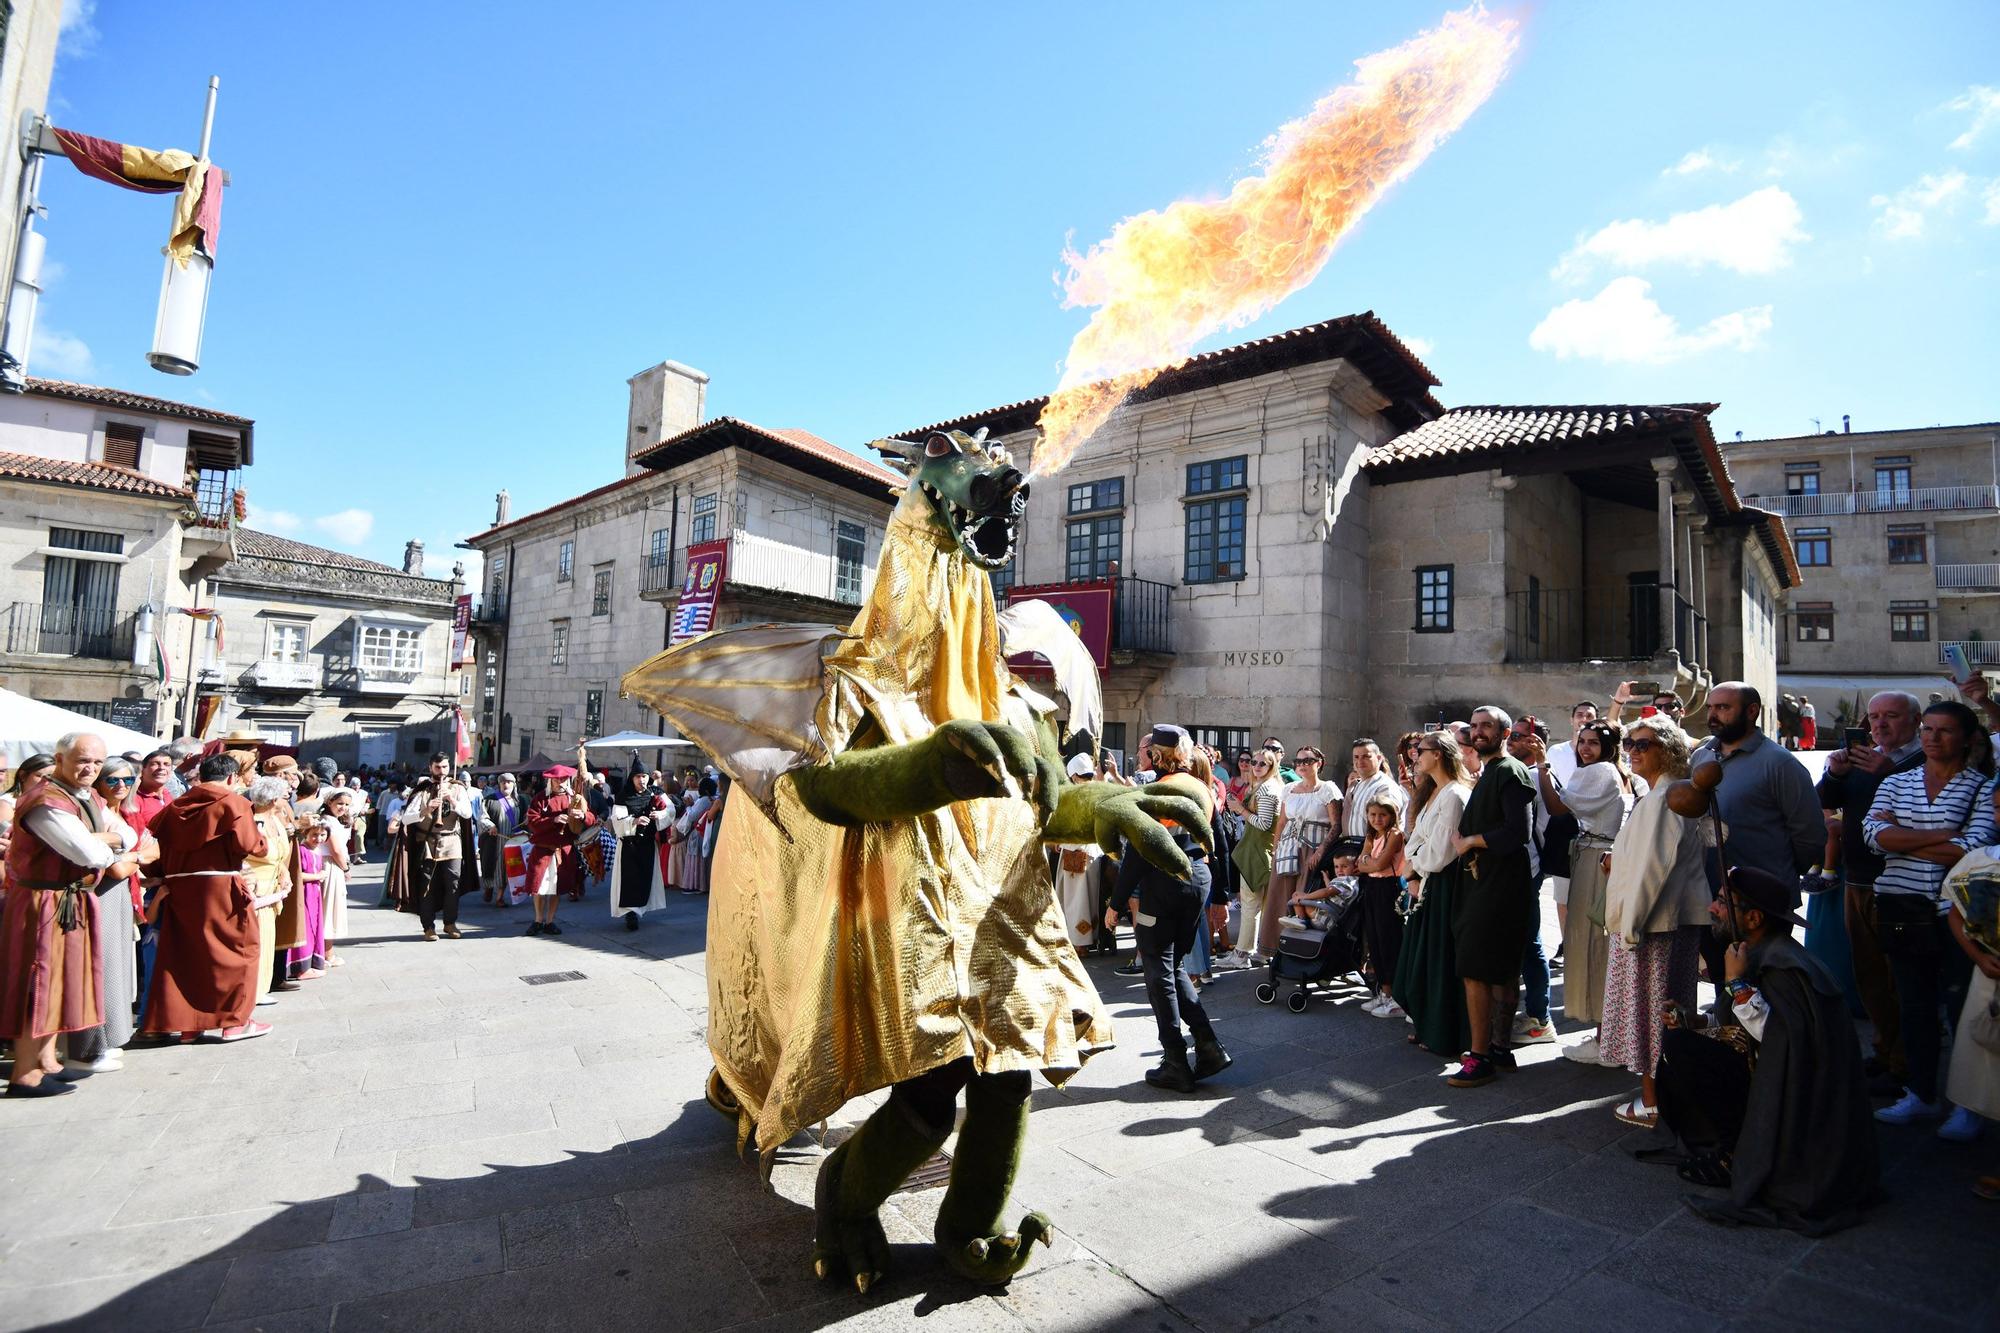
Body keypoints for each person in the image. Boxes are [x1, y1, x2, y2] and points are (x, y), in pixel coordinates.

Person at [1653, 866, 1879, 1233]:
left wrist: (1738, 984)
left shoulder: (1786, 966)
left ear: (1754, 918)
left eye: (1725, 902)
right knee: (1682, 1044)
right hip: (1766, 1069)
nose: (1713, 908)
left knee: (1684, 1052)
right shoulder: (1754, 951)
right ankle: (1728, 1143)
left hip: (1799, 1098)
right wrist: (1695, 1022)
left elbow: (1784, 1041)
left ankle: (1734, 1157)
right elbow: (1743, 1028)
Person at [1862, 700, 1994, 1125]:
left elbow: (1971, 849)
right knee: (1914, 1006)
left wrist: (1906, 837)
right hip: (1902, 908)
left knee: (1960, 1008)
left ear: (1967, 738)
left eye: (1944, 731)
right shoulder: (1897, 782)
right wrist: (1941, 835)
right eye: (1929, 730)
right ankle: (1921, 1092)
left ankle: (1967, 1104)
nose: (1933, 738)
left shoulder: (1981, 787)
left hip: (1955, 914)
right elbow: (1873, 837)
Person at [1, 733, 141, 1096]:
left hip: (68, 899)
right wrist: (109, 842)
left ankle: (47, 1061)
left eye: (96, 762)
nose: (90, 768)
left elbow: (126, 833)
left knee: (62, 982)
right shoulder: (46, 801)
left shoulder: (85, 796)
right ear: (60, 759)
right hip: (43, 904)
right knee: (40, 982)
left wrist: (109, 839)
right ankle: (25, 1073)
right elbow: (88, 854)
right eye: (82, 760)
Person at [1599, 715, 1711, 1127]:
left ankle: (1654, 1103)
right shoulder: (1666, 795)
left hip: (1653, 926)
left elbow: (1653, 867)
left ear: (1668, 749)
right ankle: (1666, 1098)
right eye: (1629, 743)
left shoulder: (1665, 798)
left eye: (1643, 744)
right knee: (1665, 1012)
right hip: (1663, 922)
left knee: (1652, 1015)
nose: (1633, 750)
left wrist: (1630, 927)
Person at [1104, 725, 1228, 1092]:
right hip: (1198, 880)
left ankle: (1176, 1058)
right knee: (1172, 966)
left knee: (1158, 967)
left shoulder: (1157, 792)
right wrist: (1220, 896)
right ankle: (1208, 1047)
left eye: (1148, 752)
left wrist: (1115, 903)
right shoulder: (1200, 788)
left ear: (1157, 755)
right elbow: (1217, 840)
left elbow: (1140, 853)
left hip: (1163, 885)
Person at [1817, 690, 1923, 1097]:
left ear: (1914, 721)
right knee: (1870, 976)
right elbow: (1823, 803)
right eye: (1873, 717)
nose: (1879, 725)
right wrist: (1837, 775)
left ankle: (1908, 1064)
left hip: (1901, 884)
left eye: (1890, 716)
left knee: (1902, 978)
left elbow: (1920, 811)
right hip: (1857, 880)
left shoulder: (1919, 761)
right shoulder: (1865, 758)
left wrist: (1886, 772)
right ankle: (1885, 1053)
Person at [143, 753, 270, 1043]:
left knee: (187, 957)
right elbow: (252, 845)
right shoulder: (233, 803)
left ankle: (189, 1026)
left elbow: (155, 852)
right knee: (236, 953)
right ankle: (235, 1022)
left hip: (180, 890)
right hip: (221, 889)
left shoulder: (174, 806)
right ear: (231, 778)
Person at [1538, 720, 1645, 1063]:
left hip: (1597, 860)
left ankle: (1606, 1038)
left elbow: (1558, 807)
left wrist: (1542, 769)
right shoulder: (1620, 772)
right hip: (1604, 856)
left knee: (1593, 943)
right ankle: (1608, 1033)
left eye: (1593, 742)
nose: (1584, 748)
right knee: (1601, 943)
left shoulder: (1599, 772)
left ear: (1607, 747)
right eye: (1581, 742)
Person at [1441, 707, 1537, 1088]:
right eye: (1474, 726)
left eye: (1487, 727)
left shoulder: (1510, 770)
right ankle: (1498, 1047)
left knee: (1478, 969)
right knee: (1497, 968)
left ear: (1505, 732)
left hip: (1496, 886)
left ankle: (1480, 1056)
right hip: (1488, 884)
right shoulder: (1490, 772)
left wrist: (1470, 841)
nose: (1478, 732)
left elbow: (1518, 832)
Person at [1394, 729, 1473, 1057]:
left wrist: (1414, 867)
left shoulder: (1454, 795)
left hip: (1441, 886)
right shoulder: (1434, 792)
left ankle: (1442, 1032)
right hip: (1426, 881)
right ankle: (1426, 1023)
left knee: (1438, 959)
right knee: (1420, 958)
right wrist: (1413, 862)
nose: (1416, 755)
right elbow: (1414, 839)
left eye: (1421, 749)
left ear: (1438, 754)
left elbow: (1441, 852)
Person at [1940, 828, 2000, 1189]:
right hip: (1989, 971)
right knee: (1986, 1060)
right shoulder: (1982, 862)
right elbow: (1956, 915)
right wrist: (1978, 957)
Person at [1255, 745, 1340, 958]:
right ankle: (1277, 950)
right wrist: (1275, 850)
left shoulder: (1327, 789)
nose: (1302, 765)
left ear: (1318, 763)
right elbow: (1282, 821)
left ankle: (1305, 952)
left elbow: (1336, 825)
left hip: (1312, 849)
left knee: (1304, 899)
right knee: (1279, 898)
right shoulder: (1290, 788)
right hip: (1287, 849)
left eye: (1307, 761)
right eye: (1298, 761)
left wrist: (1321, 851)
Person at [400, 753, 479, 942]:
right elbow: (406, 819)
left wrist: (451, 799)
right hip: (427, 843)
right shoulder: (422, 790)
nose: (441, 771)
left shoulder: (458, 788)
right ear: (430, 767)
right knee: (427, 886)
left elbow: (467, 814)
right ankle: (428, 927)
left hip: (452, 842)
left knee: (453, 884)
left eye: (445, 767)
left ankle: (450, 923)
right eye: (437, 767)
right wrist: (426, 809)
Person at [1218, 750, 1282, 970]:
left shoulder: (1267, 789)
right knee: (1257, 907)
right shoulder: (1267, 786)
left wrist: (1240, 809)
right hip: (1261, 853)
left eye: (1263, 763)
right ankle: (1255, 952)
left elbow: (1264, 824)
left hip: (1258, 854)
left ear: (1272, 766)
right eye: (1254, 762)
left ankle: (1242, 953)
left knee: (1250, 906)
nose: (1256, 765)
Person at [1543, 702, 1598, 945]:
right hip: (1564, 828)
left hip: (1594, 834)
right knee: (1562, 894)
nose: (1583, 719)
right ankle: (1566, 944)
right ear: (1571, 719)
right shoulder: (1556, 752)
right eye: (1580, 715)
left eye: (1589, 716)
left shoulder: (1604, 767)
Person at [242, 778, 297, 1005]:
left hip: (273, 885)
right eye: (284, 796)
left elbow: (280, 855)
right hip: (257, 888)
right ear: (274, 800)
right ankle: (252, 990)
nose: (286, 799)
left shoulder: (274, 819)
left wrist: (284, 872)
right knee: (256, 939)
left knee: (267, 938)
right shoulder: (254, 822)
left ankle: (261, 987)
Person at [524, 764, 595, 936]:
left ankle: (550, 921)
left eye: (563, 779)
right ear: (551, 781)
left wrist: (582, 816)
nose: (560, 783)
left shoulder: (575, 799)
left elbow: (592, 818)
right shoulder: (541, 798)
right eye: (557, 780)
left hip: (563, 851)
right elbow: (532, 822)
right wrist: (553, 820)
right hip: (542, 851)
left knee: (557, 888)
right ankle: (538, 920)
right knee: (539, 887)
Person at [1354, 798, 1407, 1017]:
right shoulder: (1371, 836)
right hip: (1373, 887)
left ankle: (1396, 996)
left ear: (1391, 815)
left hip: (1388, 887)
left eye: (1382, 815)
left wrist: (1368, 862)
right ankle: (1384, 992)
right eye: (1373, 815)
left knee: (1388, 941)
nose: (1377, 819)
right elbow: (1360, 863)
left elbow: (1379, 864)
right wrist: (1367, 862)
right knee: (1374, 940)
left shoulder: (1394, 835)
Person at [1052, 753, 1106, 952]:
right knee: (1090, 897)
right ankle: (1090, 939)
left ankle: (1079, 943)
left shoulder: (1073, 795)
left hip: (1074, 852)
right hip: (1094, 853)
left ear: (1074, 776)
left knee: (1076, 901)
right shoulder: (1100, 790)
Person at [614, 767, 669, 930]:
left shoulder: (653, 794)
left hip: (647, 844)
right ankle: (630, 914)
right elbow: (617, 819)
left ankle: (639, 910)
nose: (642, 780)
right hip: (628, 845)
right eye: (638, 776)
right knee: (629, 880)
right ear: (632, 778)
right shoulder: (623, 796)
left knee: (644, 878)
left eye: (644, 776)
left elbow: (670, 810)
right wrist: (633, 821)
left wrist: (659, 815)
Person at [285, 820, 331, 979]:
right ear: (306, 834)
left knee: (314, 926)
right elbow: (297, 874)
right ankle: (302, 968)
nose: (318, 839)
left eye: (322, 835)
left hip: (313, 893)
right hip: (304, 894)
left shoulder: (315, 850)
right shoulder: (302, 850)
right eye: (314, 835)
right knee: (306, 928)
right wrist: (318, 876)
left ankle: (312, 961)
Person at [482, 772, 526, 901]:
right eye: (503, 782)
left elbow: (524, 817)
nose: (506, 784)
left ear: (513, 785)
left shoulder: (520, 801)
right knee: (492, 867)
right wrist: (490, 826)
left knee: (507, 869)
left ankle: (500, 897)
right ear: (499, 784)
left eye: (509, 782)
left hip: (513, 840)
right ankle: (489, 888)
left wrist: (527, 820)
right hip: (495, 840)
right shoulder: (490, 799)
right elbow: (482, 817)